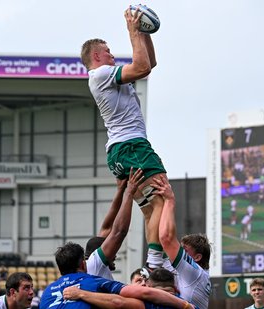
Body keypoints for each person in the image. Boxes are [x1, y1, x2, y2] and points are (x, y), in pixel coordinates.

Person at [81, 6, 172, 273]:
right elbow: (142, 66)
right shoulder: (100, 74)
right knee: (163, 200)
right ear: (96, 56)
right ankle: (156, 263)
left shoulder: (107, 77)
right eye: (108, 51)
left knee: (149, 210)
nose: (112, 54)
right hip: (131, 146)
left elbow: (149, 65)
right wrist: (133, 30)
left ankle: (154, 263)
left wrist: (144, 33)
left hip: (122, 150)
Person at [39, 242, 193, 309]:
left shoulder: (46, 294)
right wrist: (185, 305)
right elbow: (140, 295)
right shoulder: (93, 282)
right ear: (83, 264)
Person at [151, 176, 212, 309]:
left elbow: (166, 239)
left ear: (197, 257)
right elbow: (154, 247)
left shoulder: (196, 274)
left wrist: (170, 200)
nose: (179, 251)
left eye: (184, 250)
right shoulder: (182, 270)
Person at [85, 167, 143, 280]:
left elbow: (107, 227)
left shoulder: (94, 265)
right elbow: (119, 231)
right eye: (113, 252)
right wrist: (129, 193)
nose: (115, 255)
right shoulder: (93, 268)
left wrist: (120, 190)